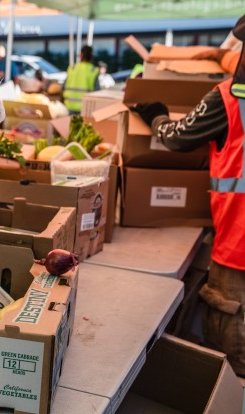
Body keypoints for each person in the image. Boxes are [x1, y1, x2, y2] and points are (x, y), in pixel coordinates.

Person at [131, 14, 245, 378]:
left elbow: (177, 137)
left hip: (239, 249)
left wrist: (158, 117)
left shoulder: (230, 99)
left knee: (233, 364)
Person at [63, 45, 99, 114]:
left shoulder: (72, 68)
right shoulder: (93, 70)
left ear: (81, 55)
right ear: (91, 56)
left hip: (69, 107)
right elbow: (97, 92)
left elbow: (64, 87)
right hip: (86, 108)